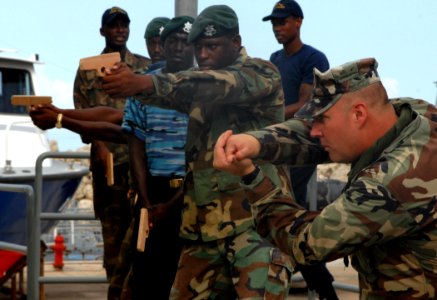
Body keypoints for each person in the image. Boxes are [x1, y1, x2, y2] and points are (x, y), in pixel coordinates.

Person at [102, 5, 293, 299]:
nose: (203, 55)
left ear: (236, 42)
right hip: (203, 231)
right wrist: (62, 116)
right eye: (199, 47)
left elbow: (216, 86)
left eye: (212, 46)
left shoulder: (260, 73)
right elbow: (158, 100)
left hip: (254, 228)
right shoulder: (195, 85)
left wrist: (142, 81)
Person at [213, 58, 437, 299]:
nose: (314, 131)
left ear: (359, 114)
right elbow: (317, 136)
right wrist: (257, 142)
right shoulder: (416, 114)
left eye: (322, 119)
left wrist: (252, 178)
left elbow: (305, 243)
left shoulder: (389, 184)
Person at [72, 6, 149, 299]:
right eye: (113, 26)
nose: (120, 30)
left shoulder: (143, 67)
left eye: (124, 25)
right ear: (103, 30)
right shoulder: (87, 68)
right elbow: (81, 114)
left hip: (139, 165)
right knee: (113, 239)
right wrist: (98, 143)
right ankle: (115, 292)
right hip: (108, 169)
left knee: (144, 234)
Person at [263, 1, 336, 299]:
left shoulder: (313, 57)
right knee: (281, 221)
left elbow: (306, 107)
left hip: (303, 149)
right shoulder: (274, 59)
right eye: (274, 24)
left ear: (298, 22)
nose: (278, 28)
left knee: (288, 218)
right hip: (277, 148)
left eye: (283, 22)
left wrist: (268, 117)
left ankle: (324, 289)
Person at [121, 16, 194, 300]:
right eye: (172, 41)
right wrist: (146, 200)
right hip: (153, 193)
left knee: (186, 281)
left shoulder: (208, 88)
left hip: (193, 195)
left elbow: (204, 158)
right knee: (147, 277)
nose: (178, 47)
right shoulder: (143, 86)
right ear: (162, 45)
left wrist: (170, 206)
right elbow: (135, 144)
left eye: (185, 41)